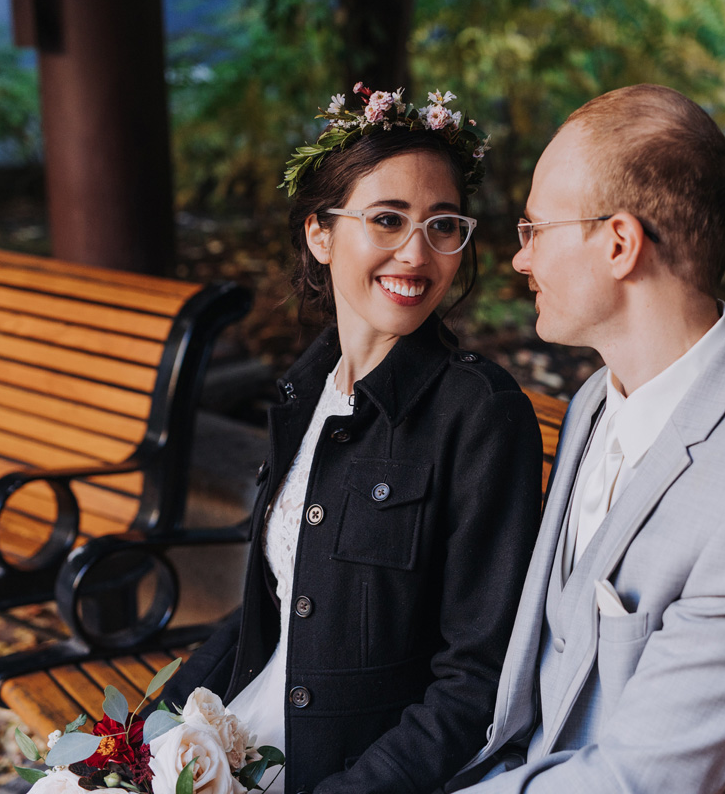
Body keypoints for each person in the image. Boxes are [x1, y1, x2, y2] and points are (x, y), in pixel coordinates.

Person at [446, 84, 725, 793]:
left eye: (536, 231)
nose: (519, 260)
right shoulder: (600, 398)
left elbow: (636, 781)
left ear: (620, 243)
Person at [160, 84, 542, 794]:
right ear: (320, 232)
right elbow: (265, 613)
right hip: (232, 742)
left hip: (346, 773)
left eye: (442, 225)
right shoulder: (303, 392)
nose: (416, 254)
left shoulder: (481, 414)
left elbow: (476, 682)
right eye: (388, 219)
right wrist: (139, 738)